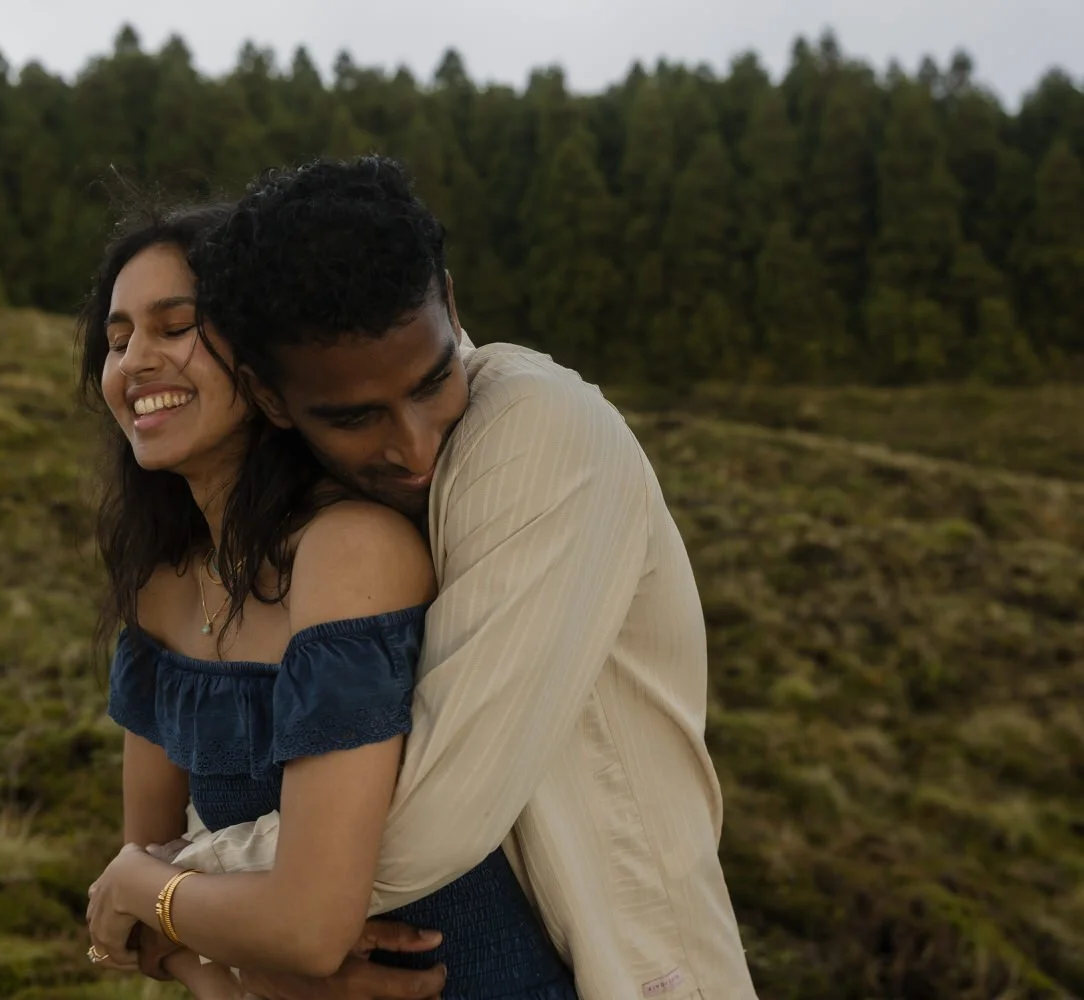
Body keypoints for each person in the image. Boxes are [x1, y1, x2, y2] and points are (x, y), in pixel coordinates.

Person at [106, 157, 761, 1000]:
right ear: (274, 398)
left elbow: (416, 830)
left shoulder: (538, 438)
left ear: (451, 305)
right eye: (353, 418)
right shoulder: (212, 564)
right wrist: (219, 943)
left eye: (431, 383)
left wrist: (164, 890)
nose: (414, 448)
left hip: (632, 967)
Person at [78, 200, 581, 1000]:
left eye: (175, 327)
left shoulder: (347, 551)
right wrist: (231, 973)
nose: (136, 359)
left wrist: (148, 892)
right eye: (117, 340)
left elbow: (303, 926)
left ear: (262, 366)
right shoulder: (162, 585)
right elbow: (149, 906)